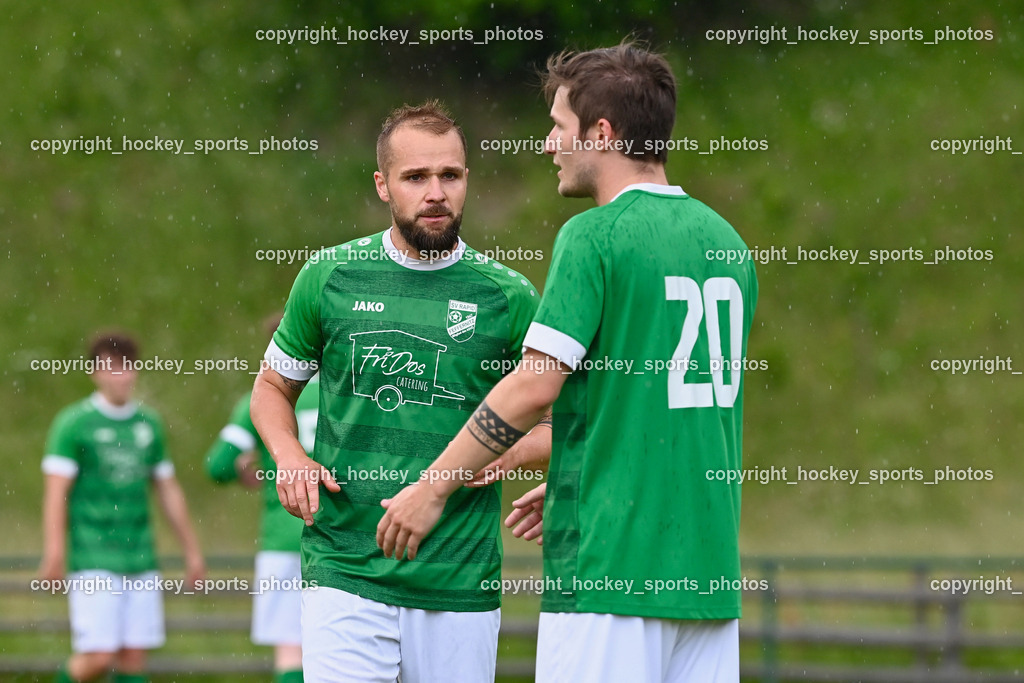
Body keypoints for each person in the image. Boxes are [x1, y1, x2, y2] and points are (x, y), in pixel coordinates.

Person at [376, 42, 759, 683]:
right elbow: (654, 403)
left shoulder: (594, 235)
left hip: (611, 571)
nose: (550, 144)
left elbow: (533, 387)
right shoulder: (729, 244)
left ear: (602, 133)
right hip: (706, 573)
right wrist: (578, 476)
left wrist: (432, 486)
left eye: (559, 128)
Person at [250, 100, 549, 683]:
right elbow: (271, 387)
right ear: (384, 185)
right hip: (345, 568)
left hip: (459, 577)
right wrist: (290, 458)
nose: (435, 192)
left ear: (466, 180)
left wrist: (508, 453)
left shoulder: (509, 297)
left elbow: (570, 421)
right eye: (416, 177)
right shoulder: (328, 276)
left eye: (450, 175)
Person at [39, 332, 206, 683]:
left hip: (140, 557)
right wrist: (54, 552)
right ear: (94, 373)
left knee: (133, 657)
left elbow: (168, 490)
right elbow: (56, 493)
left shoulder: (148, 425)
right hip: (94, 558)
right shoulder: (75, 423)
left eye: (127, 366)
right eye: (111, 367)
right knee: (98, 656)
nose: (121, 375)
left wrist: (191, 550)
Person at [205, 313, 317, 683]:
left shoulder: (261, 397)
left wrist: (247, 470)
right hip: (346, 537)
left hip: (285, 535)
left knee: (291, 650)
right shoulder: (347, 393)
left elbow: (217, 464)